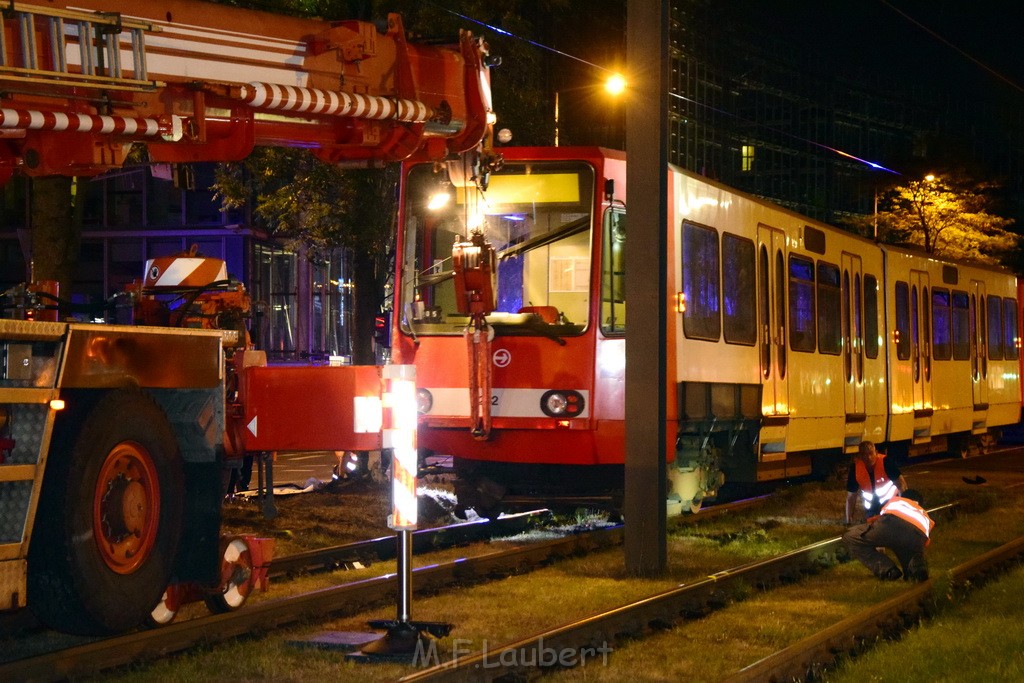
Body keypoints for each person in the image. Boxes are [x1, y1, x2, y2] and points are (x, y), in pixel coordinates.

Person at [843, 489, 934, 581]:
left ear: (902, 496)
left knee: (850, 537)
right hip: (917, 537)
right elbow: (925, 542)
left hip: (891, 525)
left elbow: (877, 521)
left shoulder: (897, 501)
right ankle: (916, 566)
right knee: (909, 557)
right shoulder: (924, 515)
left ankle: (888, 570)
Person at [845, 440, 907, 525]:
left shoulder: (886, 462)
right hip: (871, 508)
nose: (868, 457)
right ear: (860, 456)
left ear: (876, 453)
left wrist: (904, 509)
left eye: (871, 453)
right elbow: (851, 497)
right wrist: (849, 521)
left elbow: (902, 485)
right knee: (873, 529)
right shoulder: (855, 469)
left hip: (890, 504)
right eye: (864, 454)